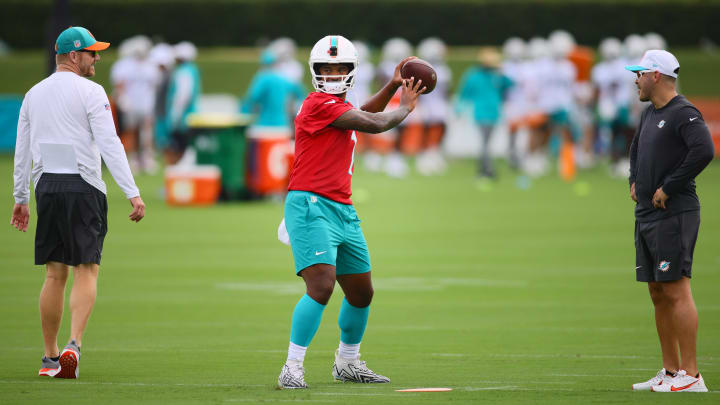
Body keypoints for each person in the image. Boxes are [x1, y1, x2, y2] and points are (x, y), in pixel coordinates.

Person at [276, 35, 424, 389]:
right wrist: (405, 107)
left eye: (339, 67)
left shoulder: (337, 105)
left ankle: (347, 362)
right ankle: (291, 367)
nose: (332, 73)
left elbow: (364, 113)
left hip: (342, 207)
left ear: (352, 71)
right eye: (326, 68)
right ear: (314, 71)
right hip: (311, 203)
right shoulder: (316, 103)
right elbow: (375, 124)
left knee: (361, 292)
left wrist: (390, 84)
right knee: (322, 286)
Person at [11, 26, 145, 379]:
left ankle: (49, 357)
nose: (97, 58)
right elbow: (110, 142)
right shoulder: (91, 91)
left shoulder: (33, 94)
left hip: (47, 188)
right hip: (84, 185)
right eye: (91, 53)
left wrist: (20, 198)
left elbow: (21, 148)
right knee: (88, 267)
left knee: (55, 273)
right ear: (74, 55)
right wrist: (132, 191)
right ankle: (75, 343)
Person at [626, 50, 714, 393]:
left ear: (656, 76)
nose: (635, 78)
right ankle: (670, 369)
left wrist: (669, 186)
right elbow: (636, 150)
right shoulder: (650, 113)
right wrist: (634, 179)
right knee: (657, 291)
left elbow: (703, 151)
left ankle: (691, 375)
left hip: (674, 214)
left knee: (676, 289)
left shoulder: (684, 113)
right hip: (647, 214)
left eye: (640, 73)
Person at [456, 48, 513, 181]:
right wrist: (459, 109)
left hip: (494, 113)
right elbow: (465, 93)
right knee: (485, 143)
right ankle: (486, 170)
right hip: (481, 113)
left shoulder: (497, 76)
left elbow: (510, 84)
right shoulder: (474, 75)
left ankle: (484, 169)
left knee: (486, 143)